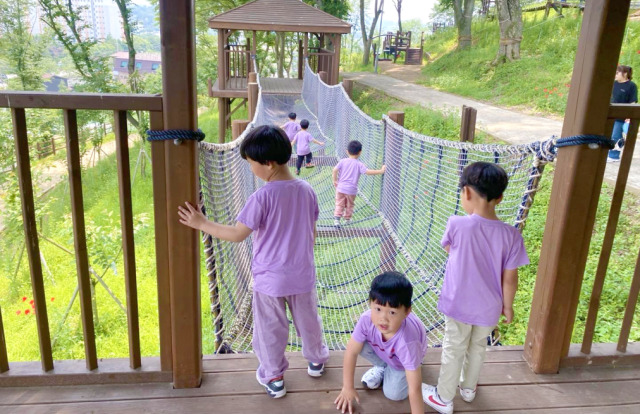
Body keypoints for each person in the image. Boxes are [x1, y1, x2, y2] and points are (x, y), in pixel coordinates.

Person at [178, 125, 329, 399]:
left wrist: (202, 223)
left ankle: (274, 377)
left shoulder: (262, 197)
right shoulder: (307, 190)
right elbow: (312, 230)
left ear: (268, 163)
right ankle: (316, 360)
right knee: (309, 320)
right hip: (303, 274)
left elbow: (238, 234)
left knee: (270, 329)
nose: (251, 169)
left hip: (270, 279)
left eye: (251, 163)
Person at [423, 162, 529, 414]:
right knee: (478, 347)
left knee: (454, 348)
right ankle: (468, 389)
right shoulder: (512, 235)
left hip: (458, 303)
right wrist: (508, 306)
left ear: (467, 192)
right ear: (500, 198)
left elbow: (450, 249)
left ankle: (443, 397)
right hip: (489, 307)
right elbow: (510, 278)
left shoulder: (457, 224)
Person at [335, 271, 428, 414]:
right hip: (387, 352)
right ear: (370, 304)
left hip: (402, 362)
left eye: (392, 312)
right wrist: (347, 387)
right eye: (378, 309)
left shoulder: (407, 343)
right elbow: (351, 352)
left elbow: (415, 389)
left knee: (394, 394)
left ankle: (397, 369)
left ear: (407, 312)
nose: (383, 319)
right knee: (358, 344)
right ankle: (383, 367)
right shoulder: (366, 320)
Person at [332, 140, 386, 227]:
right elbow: (368, 172)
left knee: (339, 203)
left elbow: (335, 170)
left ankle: (337, 220)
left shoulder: (342, 161)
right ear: (360, 152)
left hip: (340, 188)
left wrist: (335, 180)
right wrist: (380, 171)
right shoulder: (359, 164)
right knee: (349, 204)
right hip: (351, 190)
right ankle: (347, 219)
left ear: (347, 151)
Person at [608, 65, 637, 163]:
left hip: (621, 116)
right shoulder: (613, 84)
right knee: (608, 134)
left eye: (617, 73)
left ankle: (614, 156)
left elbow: (632, 102)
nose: (615, 75)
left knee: (616, 136)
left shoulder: (631, 86)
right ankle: (608, 152)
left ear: (625, 74)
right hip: (610, 114)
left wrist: (630, 116)